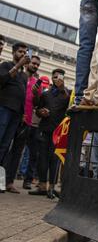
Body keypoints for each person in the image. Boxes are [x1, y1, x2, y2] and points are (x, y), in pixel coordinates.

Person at [29, 69, 70, 198]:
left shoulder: (67, 93)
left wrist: (62, 88)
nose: (57, 78)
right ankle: (42, 186)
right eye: (55, 76)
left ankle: (51, 187)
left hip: (57, 132)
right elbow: (37, 109)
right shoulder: (46, 94)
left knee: (54, 159)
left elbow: (68, 103)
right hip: (44, 129)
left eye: (59, 76)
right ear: (52, 78)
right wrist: (41, 112)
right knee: (42, 158)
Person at [5, 55, 41, 193]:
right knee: (4, 148)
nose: (35, 66)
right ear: (27, 63)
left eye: (38, 64)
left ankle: (9, 182)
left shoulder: (37, 83)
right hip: (12, 118)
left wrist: (36, 94)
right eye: (33, 63)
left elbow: (37, 105)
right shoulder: (19, 77)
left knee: (17, 153)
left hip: (26, 123)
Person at [0, 43, 29, 165]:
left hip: (16, 113)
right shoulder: (6, 65)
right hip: (4, 108)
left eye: (25, 52)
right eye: (20, 51)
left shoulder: (23, 75)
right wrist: (18, 65)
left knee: (6, 144)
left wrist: (22, 113)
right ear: (13, 52)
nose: (23, 54)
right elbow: (2, 80)